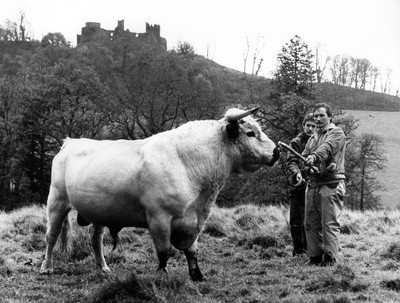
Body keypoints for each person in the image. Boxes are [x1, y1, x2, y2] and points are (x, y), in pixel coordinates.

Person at [297, 102, 346, 266]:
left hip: (331, 184)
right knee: (310, 224)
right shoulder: (312, 138)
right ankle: (315, 258)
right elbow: (303, 158)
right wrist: (306, 167)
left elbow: (328, 147)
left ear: (330, 117)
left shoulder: (337, 133)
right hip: (313, 185)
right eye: (315, 116)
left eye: (321, 116)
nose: (317, 119)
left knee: (329, 224)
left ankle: (331, 259)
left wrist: (314, 157)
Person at [286, 113, 315, 256]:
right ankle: (298, 250)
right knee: (297, 220)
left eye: (313, 126)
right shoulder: (296, 142)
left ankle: (312, 249)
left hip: (314, 186)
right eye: (308, 125)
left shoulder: (320, 141)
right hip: (298, 187)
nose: (310, 128)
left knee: (312, 219)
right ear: (303, 126)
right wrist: (296, 172)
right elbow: (291, 161)